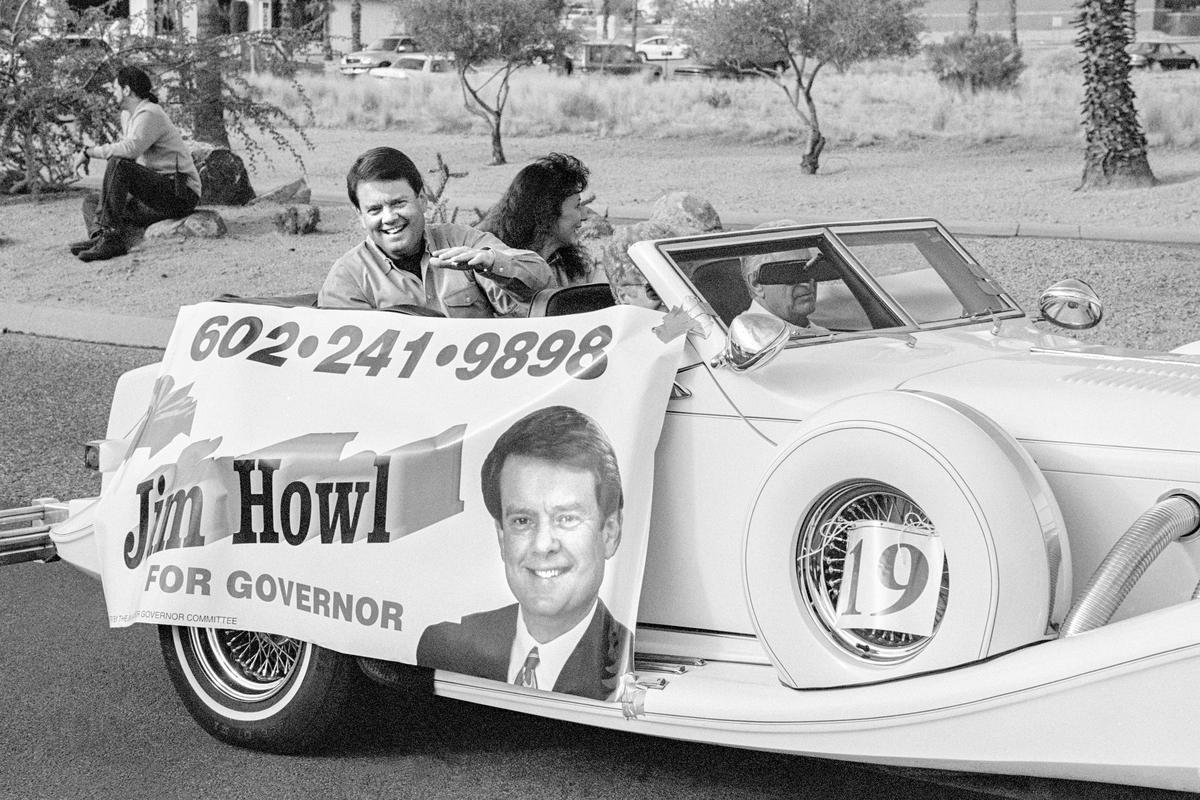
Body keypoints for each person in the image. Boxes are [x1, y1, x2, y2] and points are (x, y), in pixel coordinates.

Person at [417, 406, 630, 701]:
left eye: (566, 518)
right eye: (522, 521)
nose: (543, 545)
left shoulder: (627, 661)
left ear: (610, 532)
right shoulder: (444, 647)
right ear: (502, 538)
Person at [318, 147, 551, 317]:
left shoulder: (462, 240)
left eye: (399, 203)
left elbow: (542, 284)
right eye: (375, 209)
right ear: (360, 215)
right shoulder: (347, 277)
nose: (389, 218)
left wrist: (492, 263)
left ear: (422, 200)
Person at [70, 66, 201, 262]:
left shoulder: (150, 113)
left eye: (115, 88)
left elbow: (130, 150)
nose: (112, 93)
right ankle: (101, 237)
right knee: (91, 201)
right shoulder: (128, 116)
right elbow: (129, 159)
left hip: (179, 193)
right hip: (153, 196)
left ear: (127, 90)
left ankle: (111, 238)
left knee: (119, 164)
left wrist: (89, 152)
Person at [476, 153, 604, 292]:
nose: (585, 215)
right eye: (577, 205)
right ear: (547, 212)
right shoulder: (491, 270)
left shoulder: (574, 266)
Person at [739, 221, 830, 336]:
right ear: (756, 284)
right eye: (792, 272)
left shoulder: (822, 334)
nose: (807, 282)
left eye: (812, 268)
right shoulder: (751, 343)